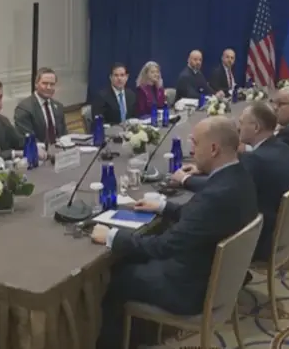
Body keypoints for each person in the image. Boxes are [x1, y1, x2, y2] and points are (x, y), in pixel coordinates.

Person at [90, 117, 258, 349]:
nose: (191, 149)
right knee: (132, 258)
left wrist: (112, 236)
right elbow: (202, 218)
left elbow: (164, 246)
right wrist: (163, 207)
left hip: (190, 289)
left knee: (119, 275)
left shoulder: (215, 195)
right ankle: (141, 334)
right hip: (215, 275)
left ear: (213, 149)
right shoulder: (239, 175)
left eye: (195, 143)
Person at [176, 103, 289, 261]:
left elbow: (221, 186)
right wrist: (207, 168)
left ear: (256, 128)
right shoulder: (281, 147)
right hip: (283, 231)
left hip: (260, 240)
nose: (238, 128)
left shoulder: (256, 159)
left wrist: (184, 179)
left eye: (241, 123)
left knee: (196, 230)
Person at [14, 67, 68, 145]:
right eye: (45, 83)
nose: (49, 87)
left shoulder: (58, 107)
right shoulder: (24, 108)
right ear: (36, 84)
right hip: (38, 150)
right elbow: (28, 139)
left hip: (60, 149)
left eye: (52, 84)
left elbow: (63, 134)